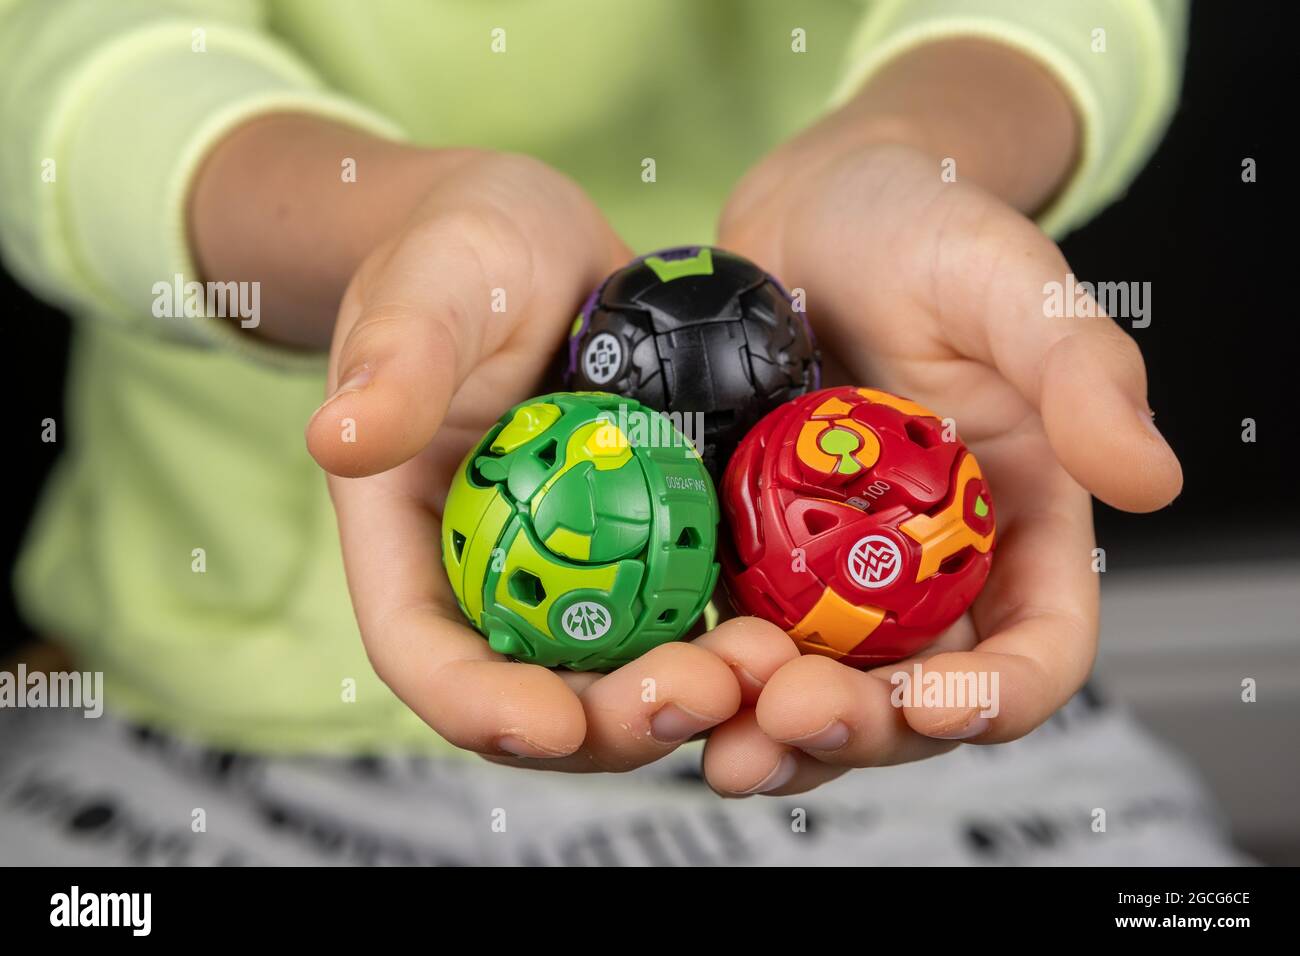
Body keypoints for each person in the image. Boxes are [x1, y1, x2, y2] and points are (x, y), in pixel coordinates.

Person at [2, 0, 1235, 865]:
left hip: (931, 743)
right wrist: (396, 243)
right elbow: (64, 70)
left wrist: (898, 153)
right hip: (202, 716)